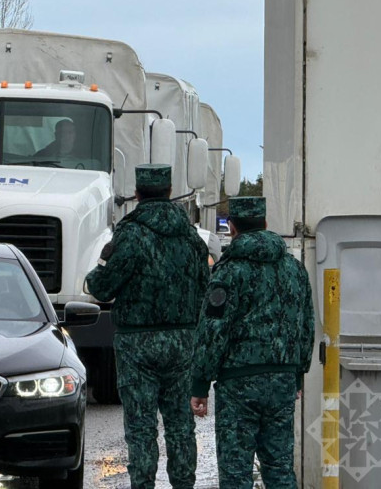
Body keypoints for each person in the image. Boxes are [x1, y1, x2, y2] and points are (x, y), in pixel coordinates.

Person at [85, 164, 210, 489]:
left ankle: (143, 484)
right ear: (170, 192)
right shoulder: (191, 237)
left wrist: (100, 262)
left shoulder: (130, 234)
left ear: (138, 194)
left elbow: (101, 288)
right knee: (181, 426)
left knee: (141, 427)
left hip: (137, 345)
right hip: (183, 342)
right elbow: (205, 289)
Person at [189, 196, 315, 488]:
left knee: (236, 472)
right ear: (266, 224)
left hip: (238, 385)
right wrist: (297, 374)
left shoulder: (228, 272)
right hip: (283, 379)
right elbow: (306, 325)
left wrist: (200, 384)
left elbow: (212, 331)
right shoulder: (295, 270)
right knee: (280, 467)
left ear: (231, 228)